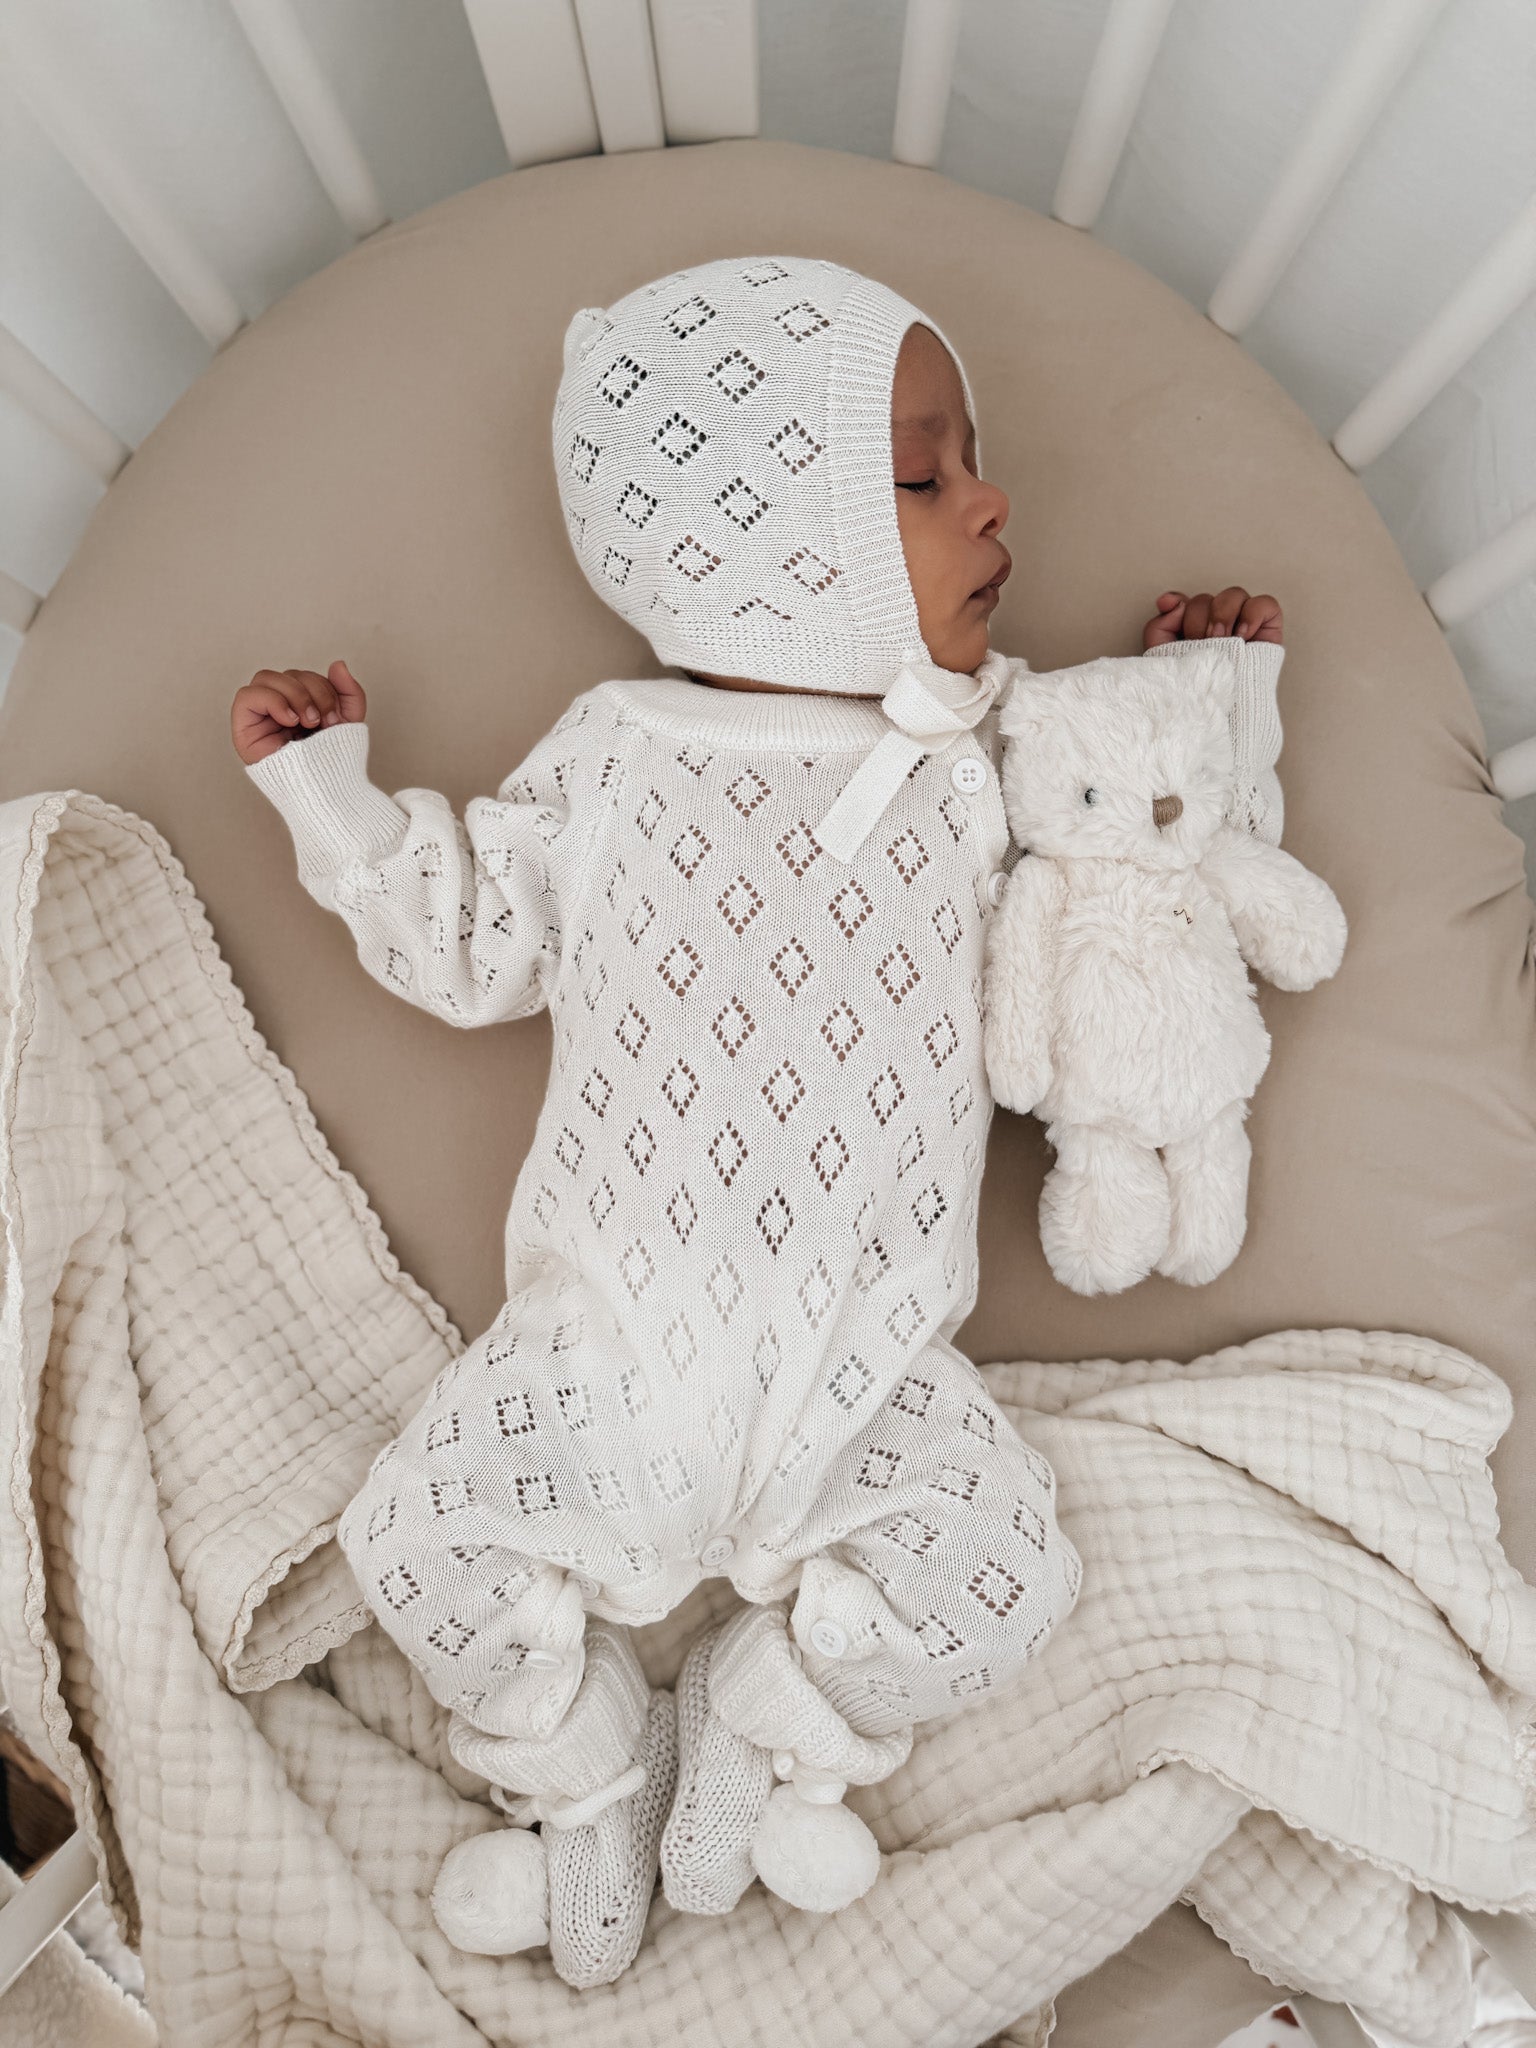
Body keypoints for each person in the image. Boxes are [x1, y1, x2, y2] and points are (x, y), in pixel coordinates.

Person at [229, 254, 1286, 1990]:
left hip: (869, 1355)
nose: (993, 502)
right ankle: (587, 1772)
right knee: (409, 1539)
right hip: (607, 1341)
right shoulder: (621, 751)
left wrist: (1215, 700)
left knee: (1011, 1578)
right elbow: (472, 941)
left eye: (971, 464)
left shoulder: (987, 756)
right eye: (925, 476)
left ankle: (764, 1708)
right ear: (778, 544)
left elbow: (1146, 870)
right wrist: (333, 801)